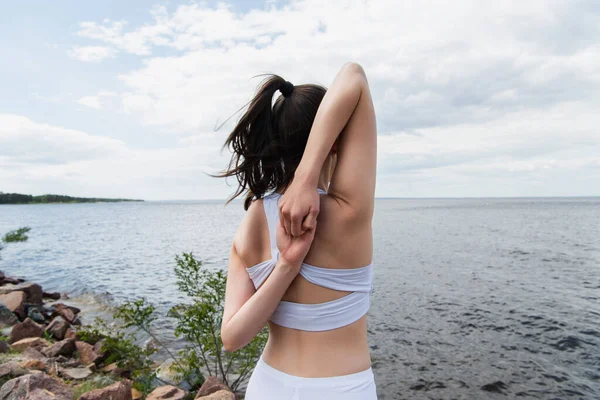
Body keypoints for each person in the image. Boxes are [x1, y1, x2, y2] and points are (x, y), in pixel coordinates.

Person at [218, 62, 377, 399]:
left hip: (268, 386)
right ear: (334, 141)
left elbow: (232, 338)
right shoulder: (347, 213)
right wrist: (308, 178)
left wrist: (286, 268)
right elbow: (353, 75)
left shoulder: (251, 225)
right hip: (342, 389)